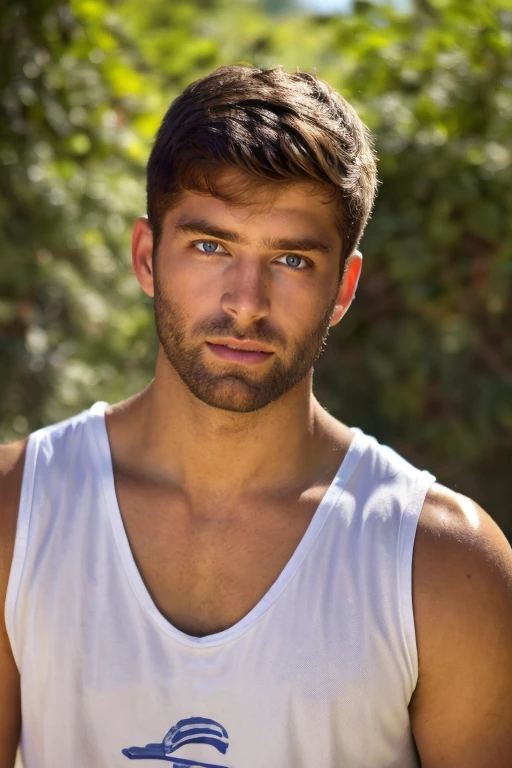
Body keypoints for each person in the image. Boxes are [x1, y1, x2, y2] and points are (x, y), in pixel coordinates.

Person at [0, 64, 511, 768]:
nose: (245, 301)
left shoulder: (445, 564)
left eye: (293, 260)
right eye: (210, 247)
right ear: (147, 257)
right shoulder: (15, 513)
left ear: (343, 288)